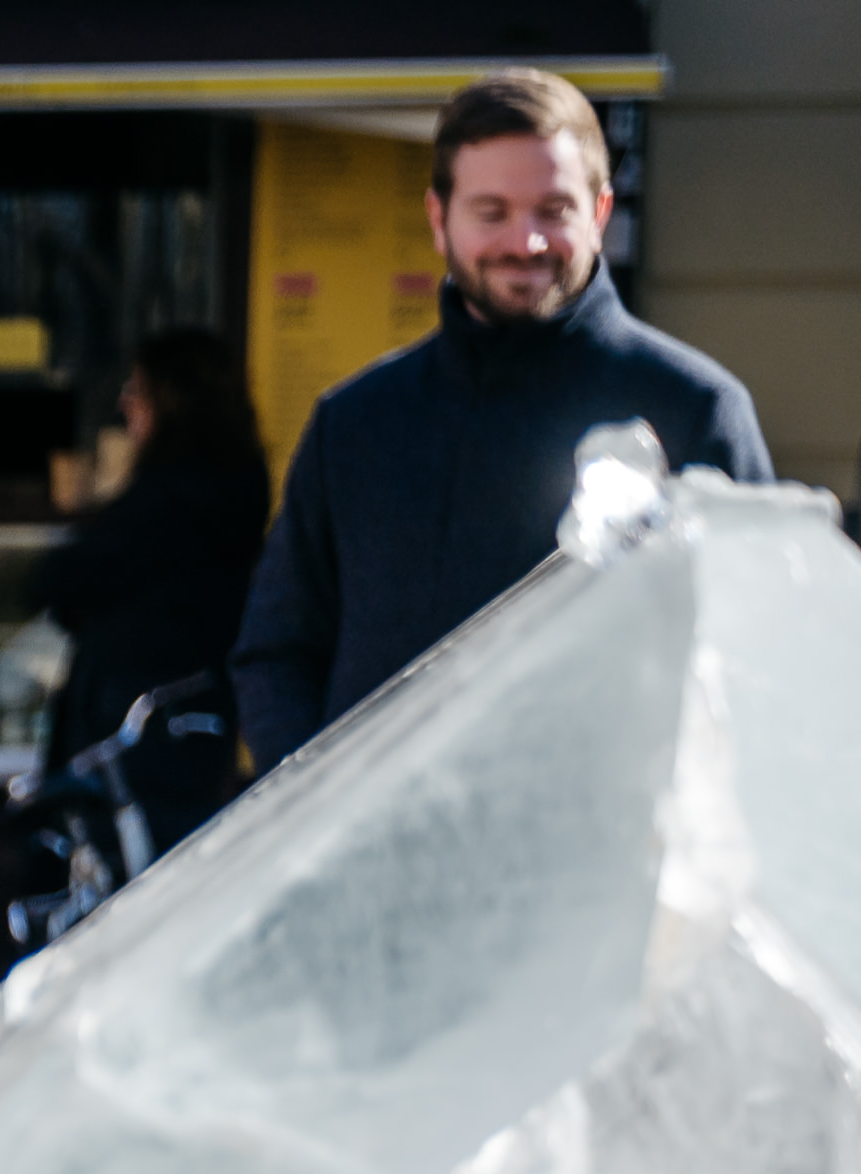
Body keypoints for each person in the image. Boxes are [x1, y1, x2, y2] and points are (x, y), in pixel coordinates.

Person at [232, 67, 765, 777]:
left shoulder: (696, 409)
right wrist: (311, 804)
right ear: (437, 218)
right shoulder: (353, 425)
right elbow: (276, 652)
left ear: (600, 213)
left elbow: (760, 652)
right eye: (492, 212)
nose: (528, 241)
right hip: (378, 874)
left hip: (606, 871)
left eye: (554, 209)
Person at [31, 328, 270, 774]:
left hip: (135, 729)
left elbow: (61, 578)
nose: (125, 403)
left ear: (174, 401)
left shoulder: (170, 496)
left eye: (138, 390)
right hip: (189, 724)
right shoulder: (238, 487)